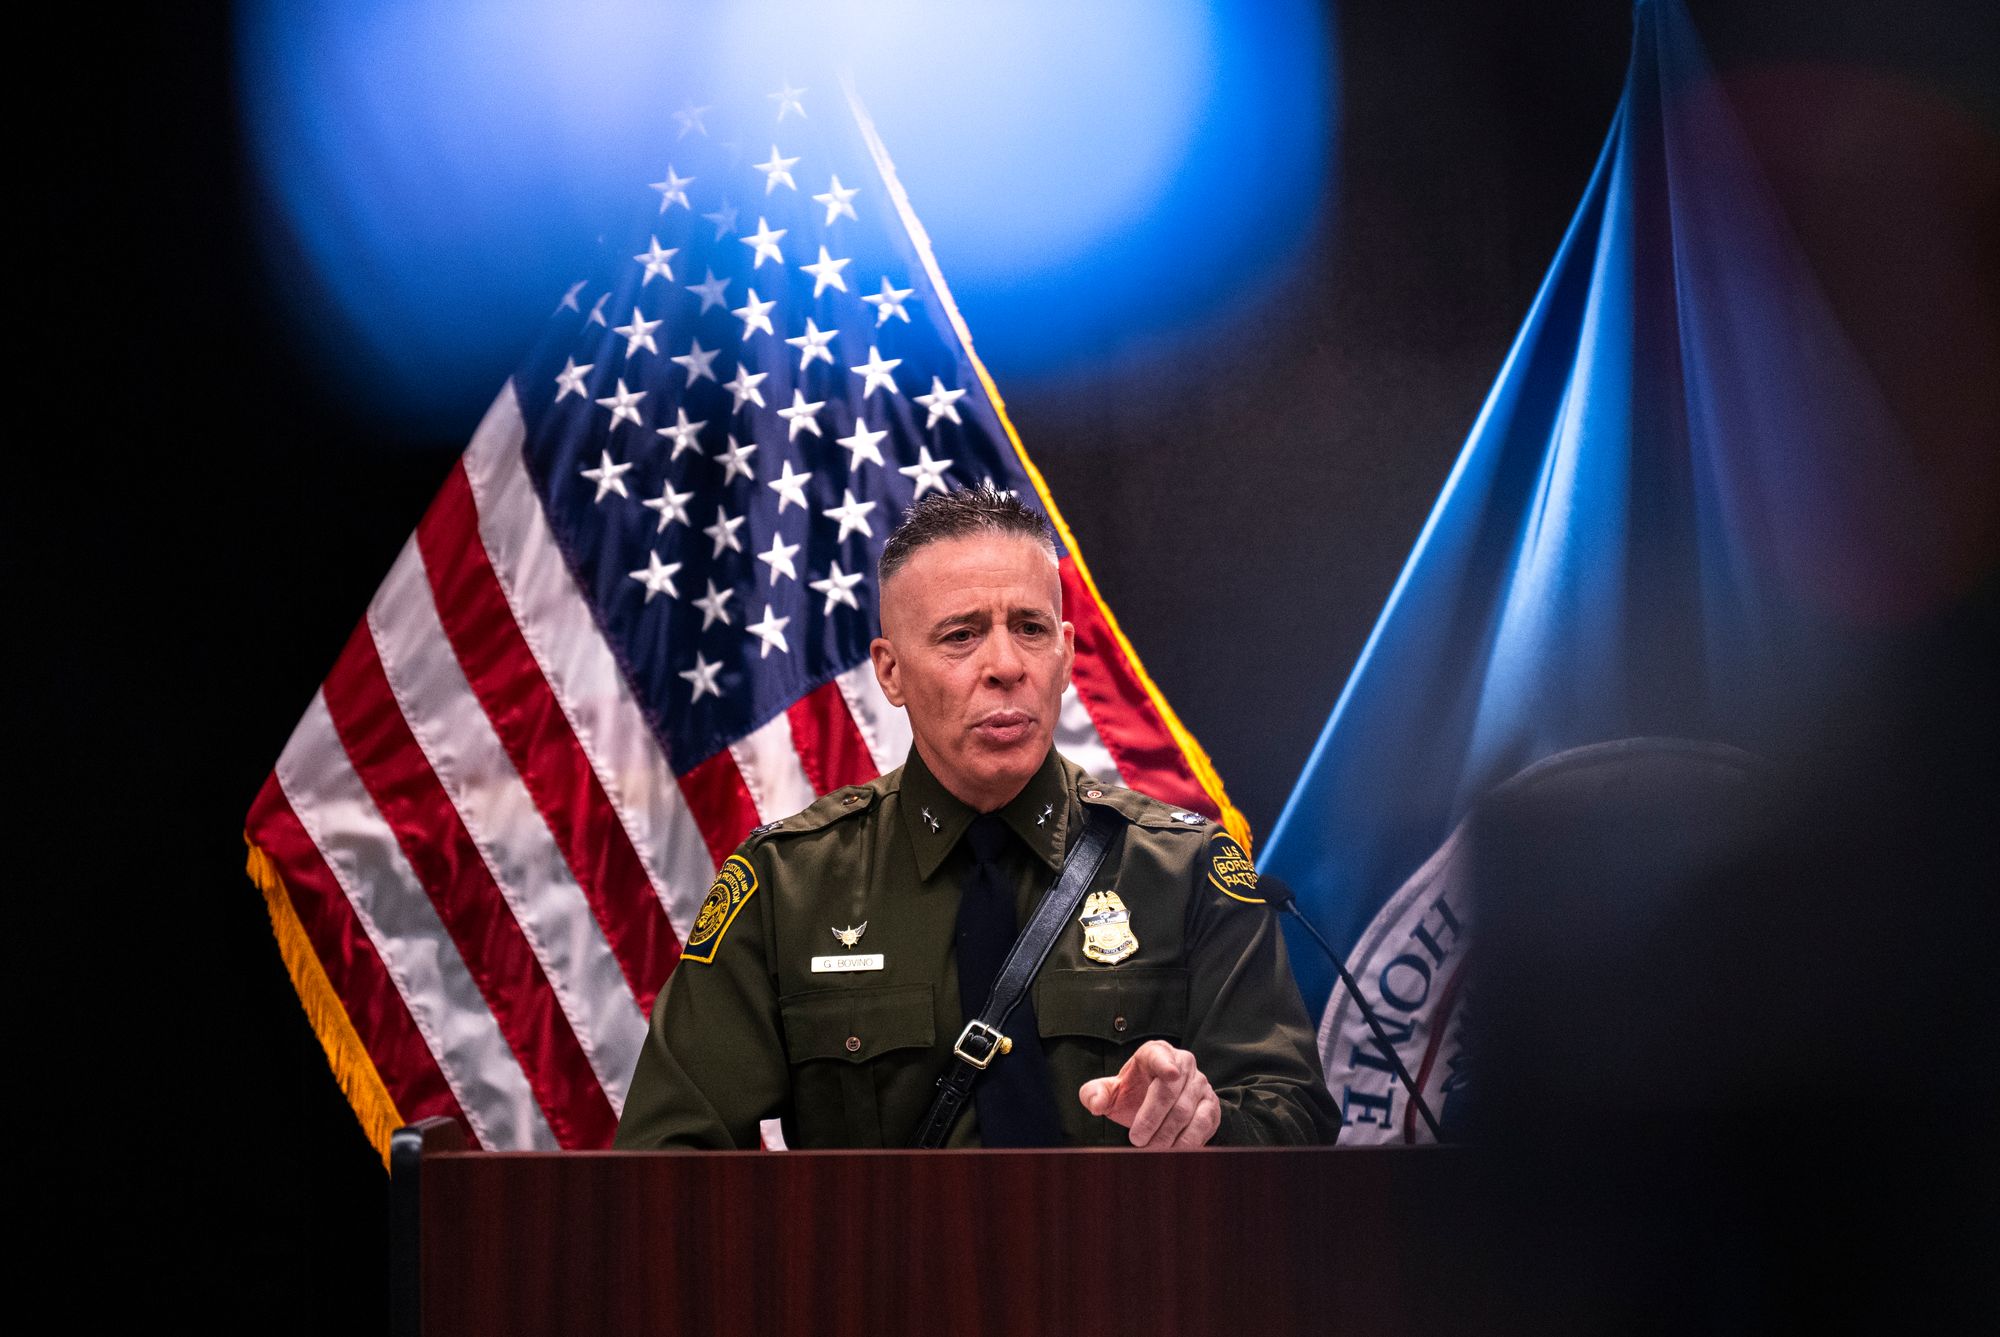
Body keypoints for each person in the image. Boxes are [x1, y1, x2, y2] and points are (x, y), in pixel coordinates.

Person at [614, 487, 1339, 1149]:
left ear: (1065, 653)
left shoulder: (1186, 872)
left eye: (1029, 627)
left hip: (1124, 1285)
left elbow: (1296, 1113)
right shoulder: (787, 887)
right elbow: (666, 1157)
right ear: (890, 672)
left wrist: (1207, 1123)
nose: (1005, 664)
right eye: (961, 635)